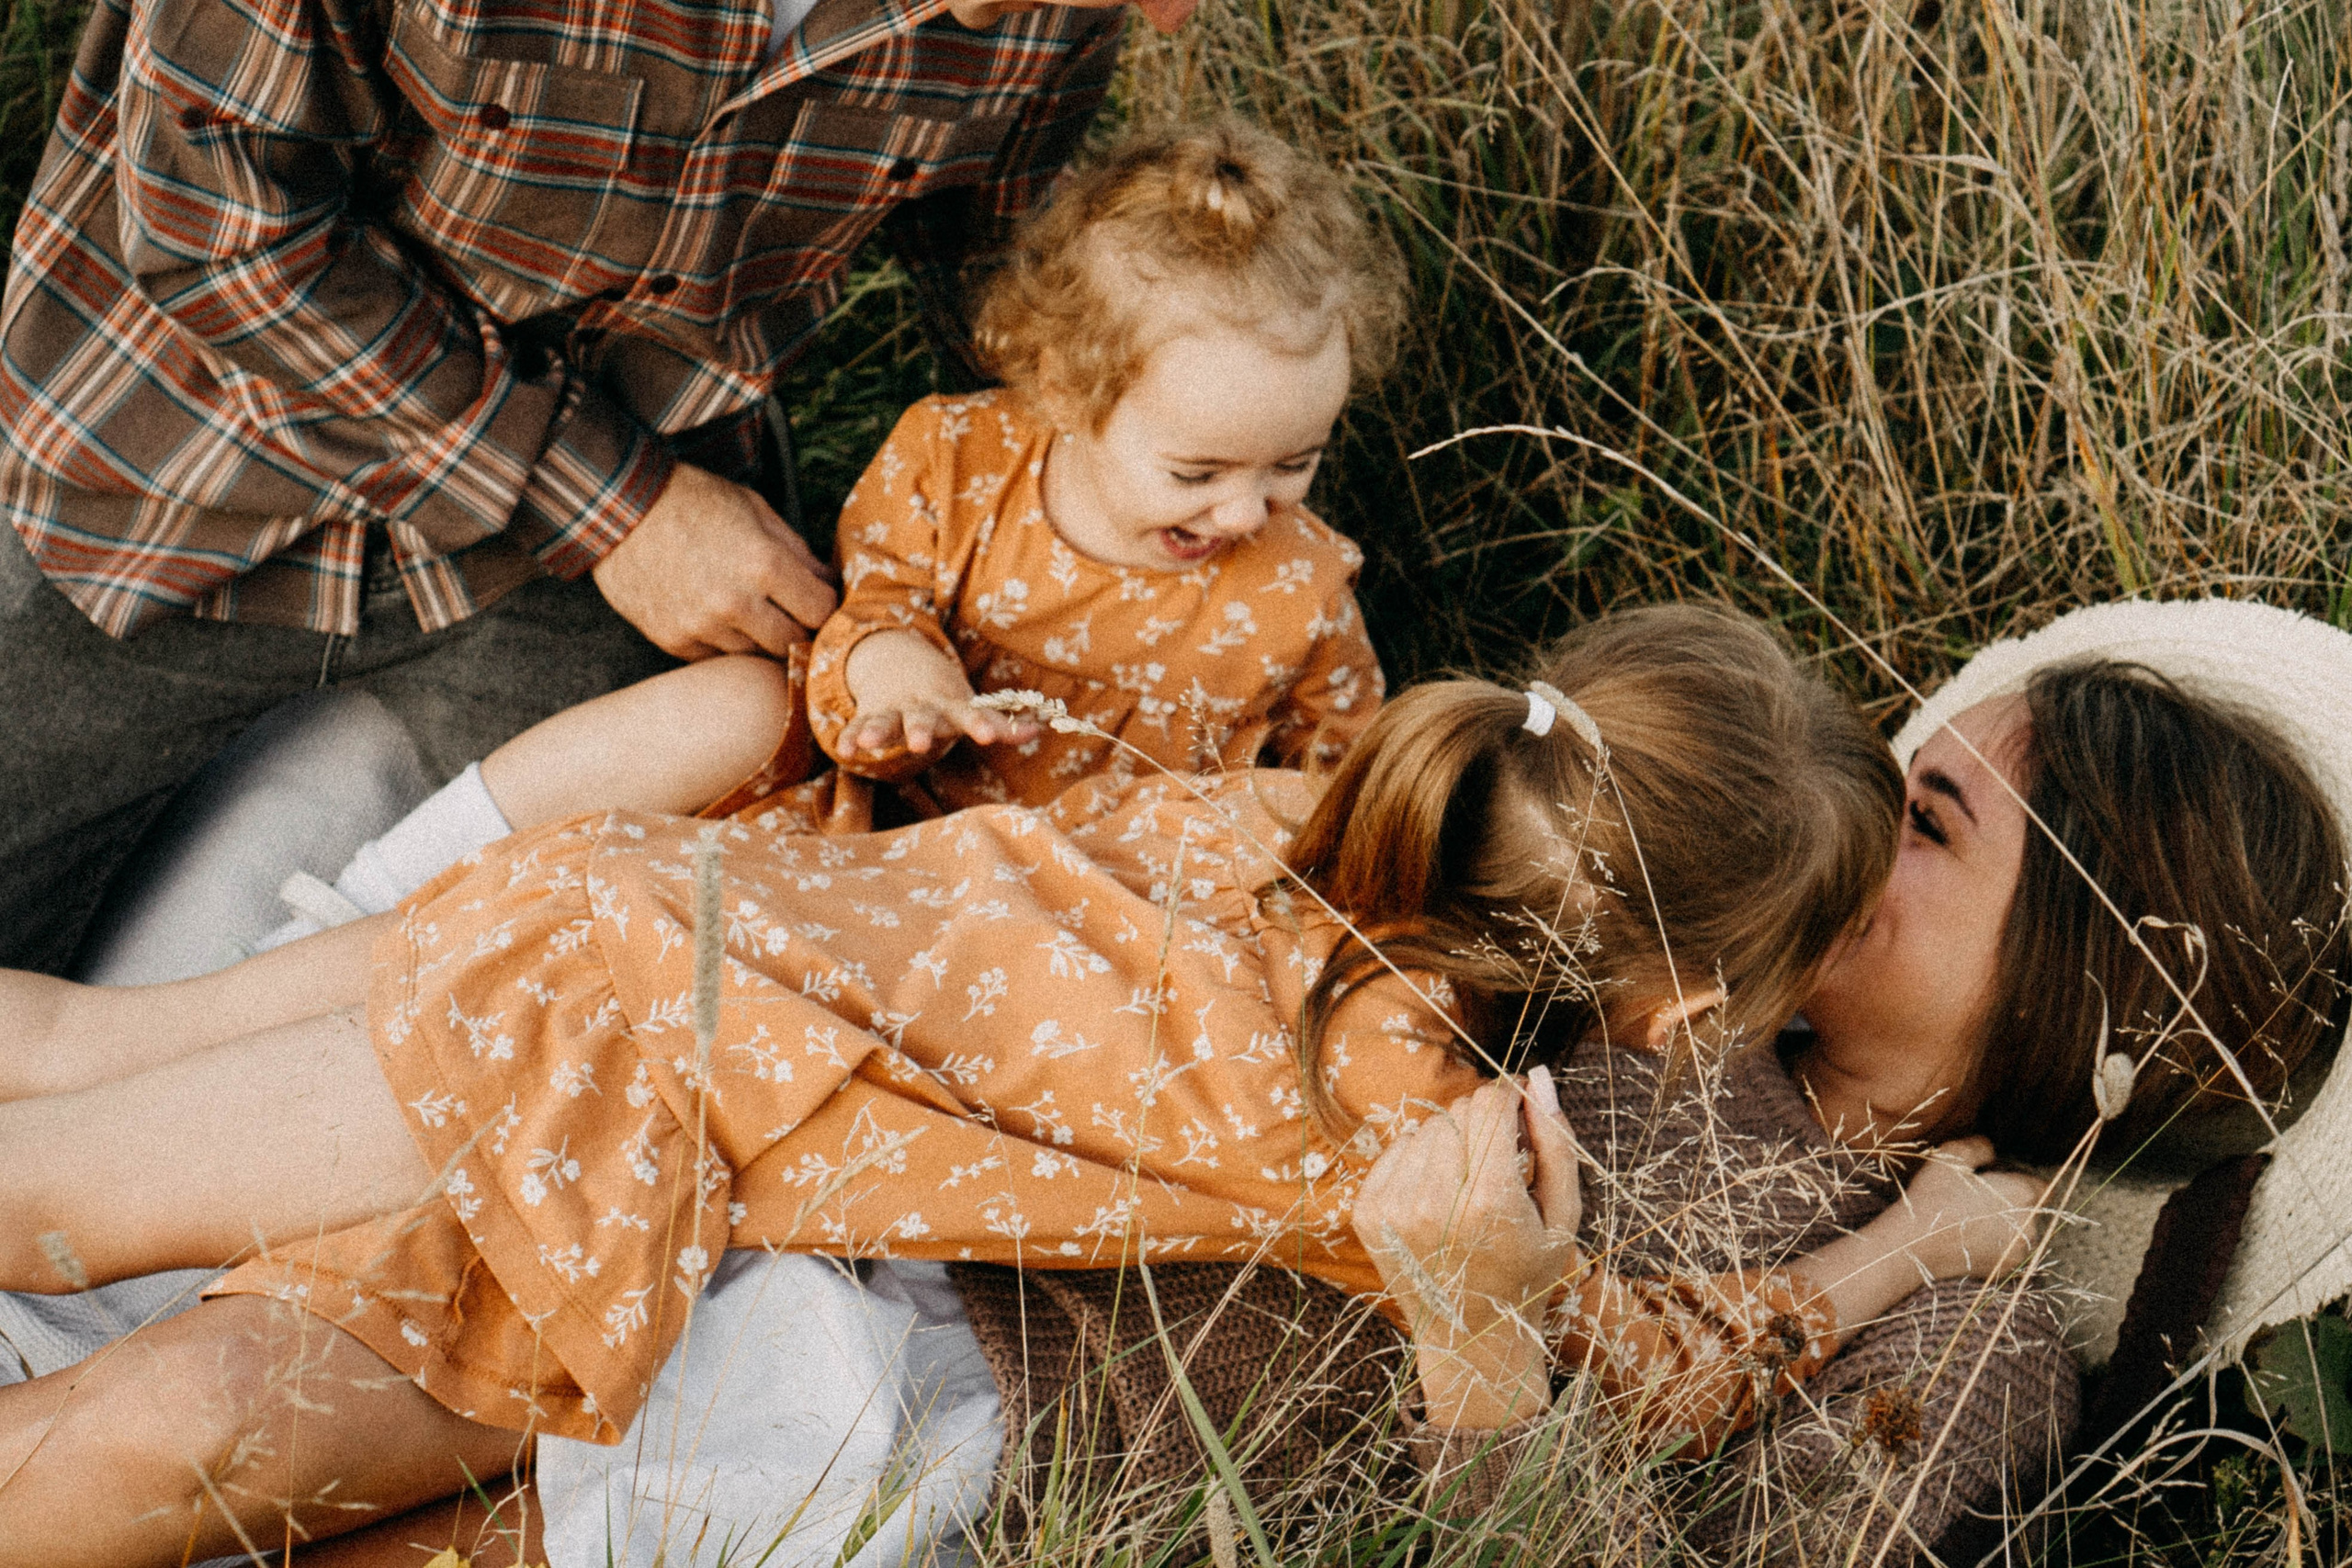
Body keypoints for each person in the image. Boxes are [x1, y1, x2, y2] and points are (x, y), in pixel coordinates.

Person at [0, 604, 1907, 1565]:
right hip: (658, 1100)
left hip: (633, 911)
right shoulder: (1396, 1128)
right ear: (1681, 1007)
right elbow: (1628, 1366)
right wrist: (1885, 1264)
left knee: (58, 1179)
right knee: (143, 1422)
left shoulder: (1298, 810)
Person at [0, 0, 1172, 976]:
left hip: (573, 576)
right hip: (173, 476)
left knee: (546, 984)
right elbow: (217, 231)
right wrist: (621, 510)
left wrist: (1187, 427)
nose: (1164, 18)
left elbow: (1003, 282)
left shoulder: (1059, 16)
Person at [250, 118, 1405, 952]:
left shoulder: (1297, 585)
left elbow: (1349, 778)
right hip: (879, 827)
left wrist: (1278, 861)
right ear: (1062, 387)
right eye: (1197, 473)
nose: (1246, 513)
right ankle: (385, 894)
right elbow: (874, 610)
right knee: (727, 721)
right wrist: (899, 682)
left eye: (1292, 465)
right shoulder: (958, 463)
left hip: (1095, 913)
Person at [1352, 651, 2352, 1561]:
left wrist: (1478, 1354)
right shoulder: (1670, 948)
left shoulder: (1969, 1357)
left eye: (1926, 822)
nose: (1848, 817)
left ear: (2065, 985)